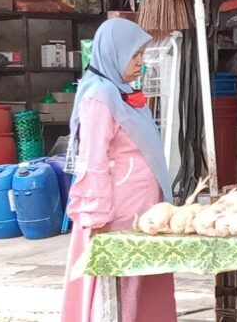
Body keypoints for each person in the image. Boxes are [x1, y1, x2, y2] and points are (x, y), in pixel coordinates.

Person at [61, 18, 177, 322]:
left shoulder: (122, 91)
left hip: (143, 210)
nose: (140, 63)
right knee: (120, 290)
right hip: (118, 215)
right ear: (113, 53)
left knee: (142, 285)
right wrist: (96, 216)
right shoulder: (99, 97)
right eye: (134, 55)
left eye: (142, 55)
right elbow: (93, 161)